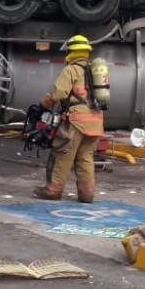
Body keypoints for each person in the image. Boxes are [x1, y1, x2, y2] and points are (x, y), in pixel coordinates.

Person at [33, 34, 104, 203]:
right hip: (96, 121)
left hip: (77, 121)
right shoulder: (94, 71)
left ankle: (53, 190)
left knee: (64, 154)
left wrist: (43, 105)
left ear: (71, 51)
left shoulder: (71, 70)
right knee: (85, 158)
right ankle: (87, 195)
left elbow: (59, 93)